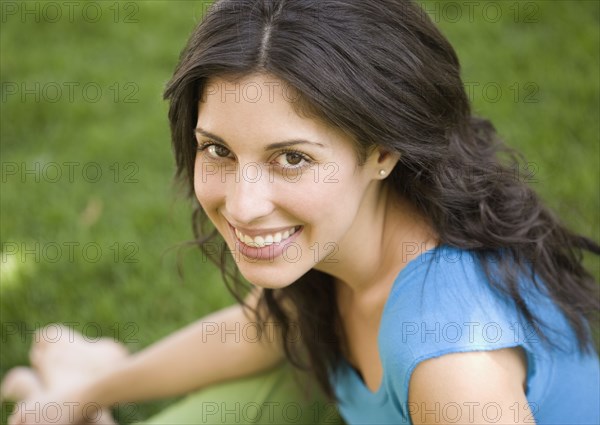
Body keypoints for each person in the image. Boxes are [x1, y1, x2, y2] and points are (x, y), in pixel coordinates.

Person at [2, 0, 599, 424]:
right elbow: (262, 327)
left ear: (382, 149)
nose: (241, 204)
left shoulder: (454, 363)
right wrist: (83, 394)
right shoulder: (348, 239)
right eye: (218, 150)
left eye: (291, 158)